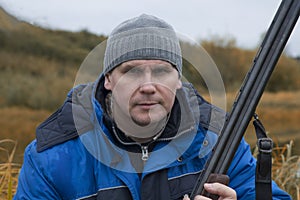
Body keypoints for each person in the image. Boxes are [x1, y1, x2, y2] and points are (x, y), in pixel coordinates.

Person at [14, 14, 291, 200]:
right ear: (108, 79)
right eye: (132, 71)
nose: (147, 85)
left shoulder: (220, 139)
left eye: (161, 71)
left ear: (178, 80)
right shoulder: (51, 156)